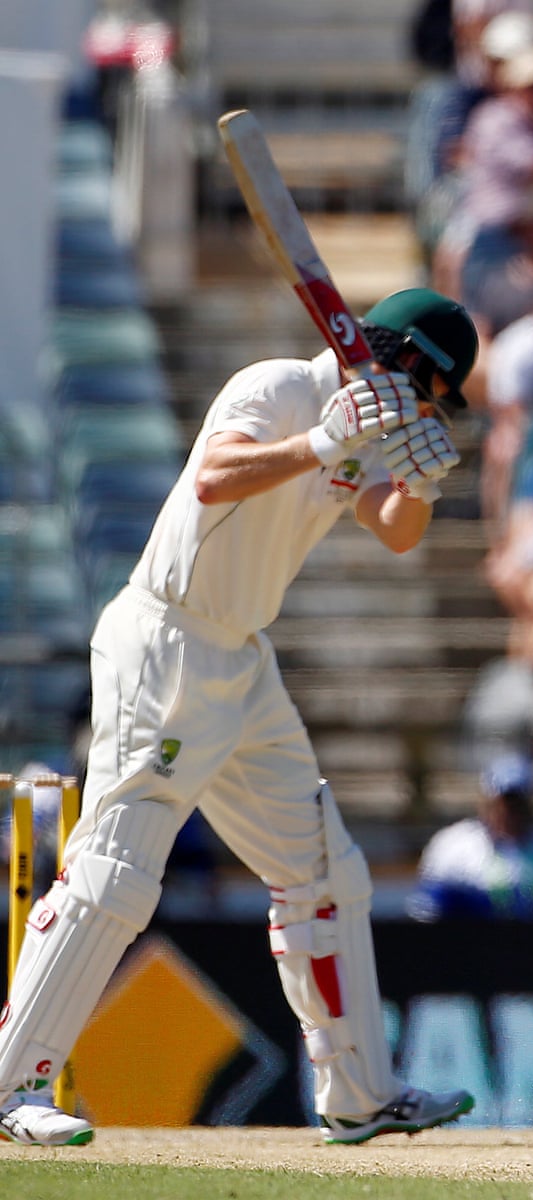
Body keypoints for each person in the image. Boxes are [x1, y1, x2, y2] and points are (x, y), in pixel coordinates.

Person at [0, 288, 480, 1147]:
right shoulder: (275, 387)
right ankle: (10, 1084)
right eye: (434, 395)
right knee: (114, 872)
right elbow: (215, 475)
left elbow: (395, 530)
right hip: (166, 642)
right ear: (409, 361)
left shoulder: (362, 422)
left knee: (326, 873)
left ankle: (358, 1096)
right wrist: (323, 440)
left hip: (242, 660)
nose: (427, 410)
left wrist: (420, 482)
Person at [407, 752, 533, 921]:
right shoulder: (453, 848)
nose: (508, 813)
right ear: (485, 802)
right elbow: (426, 913)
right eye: (501, 804)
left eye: (516, 805)